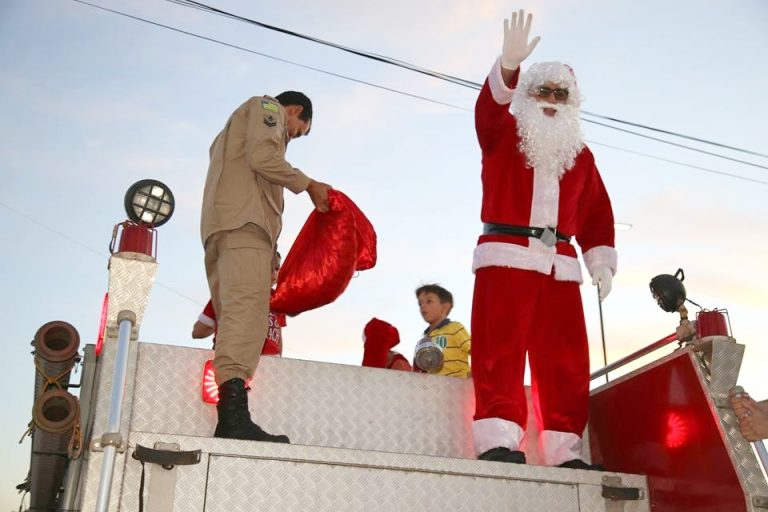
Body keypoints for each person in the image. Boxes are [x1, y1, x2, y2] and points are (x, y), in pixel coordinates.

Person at [471, 10, 616, 470]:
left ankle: (563, 450)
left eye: (561, 93)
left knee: (566, 360)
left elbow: (596, 211)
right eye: (542, 91)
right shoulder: (501, 133)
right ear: (526, 97)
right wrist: (508, 68)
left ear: (572, 102)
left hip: (560, 262)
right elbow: (489, 107)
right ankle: (498, 440)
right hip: (507, 257)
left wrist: (600, 261)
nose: (551, 99)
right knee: (499, 351)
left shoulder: (582, 155)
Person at [201, 90, 332, 443]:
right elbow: (263, 158)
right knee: (247, 318)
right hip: (245, 228)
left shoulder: (230, 132)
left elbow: (253, 173)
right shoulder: (267, 108)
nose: (291, 138)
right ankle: (232, 419)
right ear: (295, 111)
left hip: (226, 230)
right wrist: (309, 186)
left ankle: (230, 417)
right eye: (298, 131)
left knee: (234, 319)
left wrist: (271, 257)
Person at [192, 251, 286, 357]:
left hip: (266, 360)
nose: (274, 273)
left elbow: (278, 336)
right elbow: (199, 331)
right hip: (235, 357)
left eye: (277, 269)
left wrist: (279, 361)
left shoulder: (278, 298)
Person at [414, 284, 471, 378]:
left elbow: (475, 351)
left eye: (429, 301)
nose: (422, 306)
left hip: (459, 383)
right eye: (420, 303)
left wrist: (474, 374)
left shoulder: (455, 328)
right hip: (436, 386)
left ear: (444, 307)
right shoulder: (425, 338)